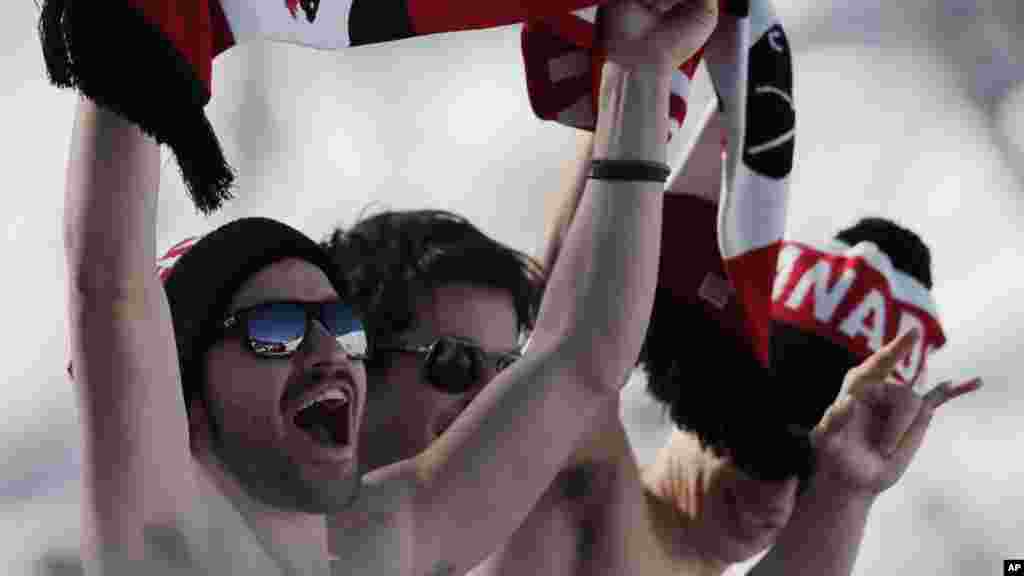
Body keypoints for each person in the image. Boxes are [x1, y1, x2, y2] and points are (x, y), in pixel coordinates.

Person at [61, 0, 719, 574]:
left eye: (340, 326)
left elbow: (579, 358)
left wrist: (640, 75)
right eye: (276, 332)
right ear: (181, 396)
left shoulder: (380, 549)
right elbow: (106, 288)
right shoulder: (159, 546)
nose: (327, 351)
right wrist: (130, 45)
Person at [502, 104, 982, 576]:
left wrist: (847, 492)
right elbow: (568, 323)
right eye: (763, 445)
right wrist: (632, 84)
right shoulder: (581, 487)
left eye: (807, 472)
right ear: (703, 383)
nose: (776, 494)